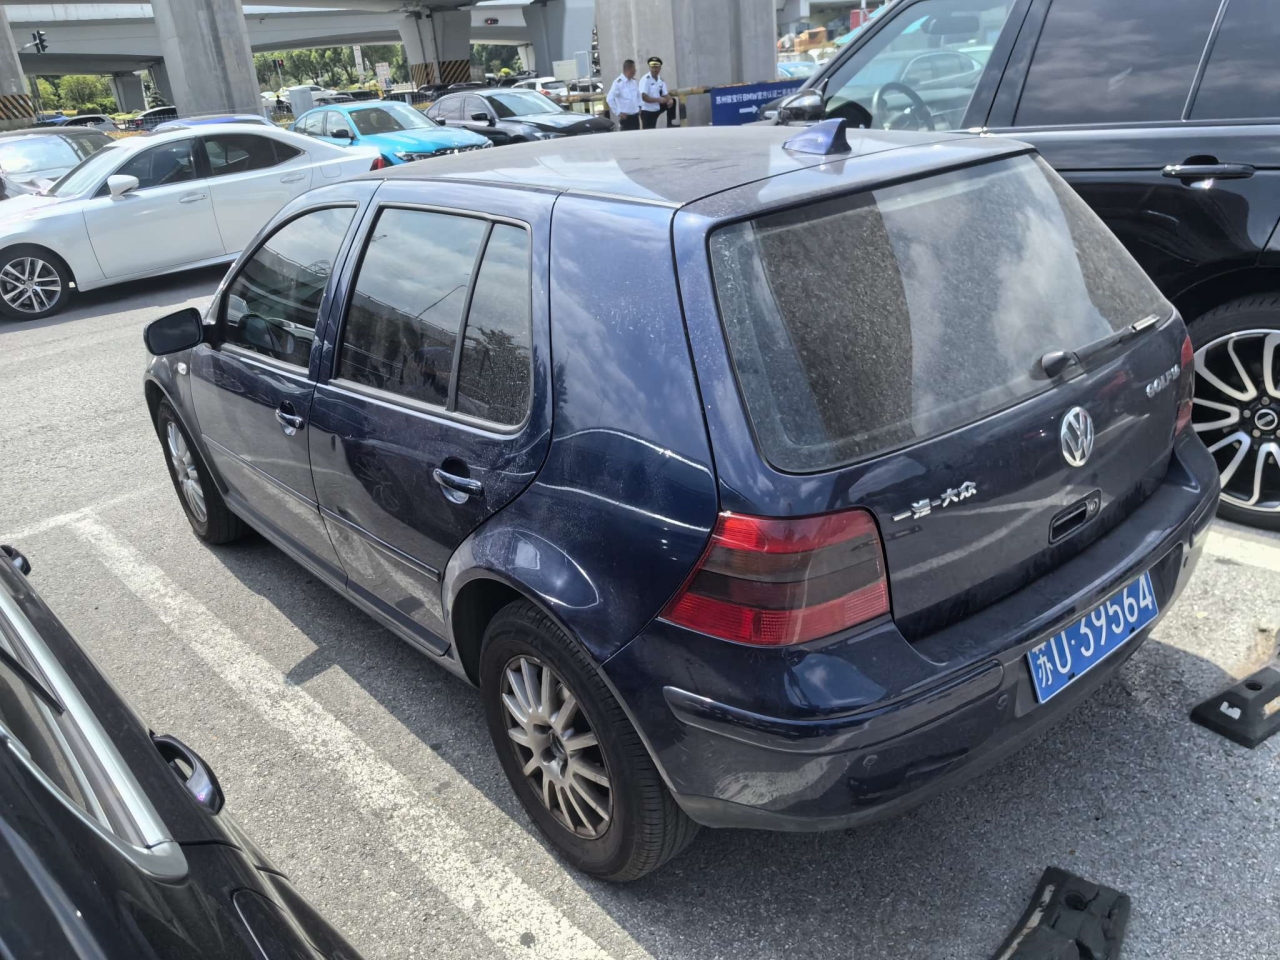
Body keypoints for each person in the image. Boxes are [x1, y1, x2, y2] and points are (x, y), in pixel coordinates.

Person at [638, 56, 674, 129]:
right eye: (652, 67)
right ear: (649, 68)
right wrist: (659, 100)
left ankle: (670, 124)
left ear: (660, 68)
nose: (654, 70)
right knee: (649, 131)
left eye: (656, 67)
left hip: (656, 108)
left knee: (673, 101)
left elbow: (665, 93)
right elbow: (644, 97)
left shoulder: (660, 80)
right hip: (647, 110)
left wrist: (670, 100)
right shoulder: (646, 79)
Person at [606, 59, 641, 131]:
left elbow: (638, 96)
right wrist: (618, 113)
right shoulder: (618, 83)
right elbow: (609, 99)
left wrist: (640, 106)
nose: (635, 71)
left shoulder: (634, 82)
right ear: (628, 69)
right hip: (626, 118)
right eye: (634, 69)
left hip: (635, 117)